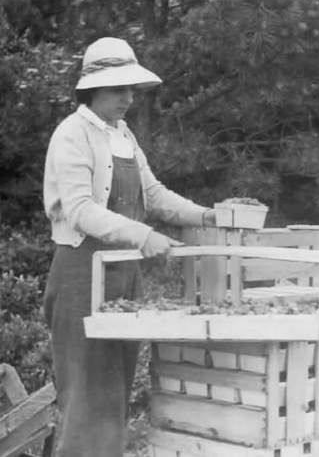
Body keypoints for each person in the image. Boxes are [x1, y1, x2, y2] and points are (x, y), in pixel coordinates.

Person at [42, 37, 216, 457]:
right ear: (92, 88)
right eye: (119, 89)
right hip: (81, 275)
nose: (129, 98)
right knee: (84, 390)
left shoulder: (123, 135)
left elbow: (153, 195)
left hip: (123, 274)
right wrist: (142, 235)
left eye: (131, 88)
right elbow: (82, 210)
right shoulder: (72, 134)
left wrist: (208, 215)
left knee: (115, 386)